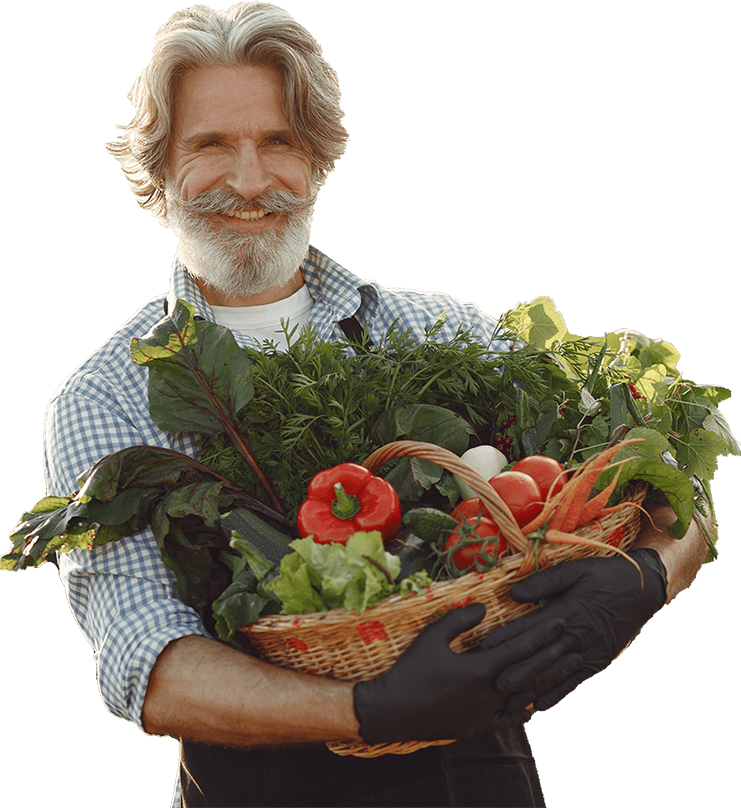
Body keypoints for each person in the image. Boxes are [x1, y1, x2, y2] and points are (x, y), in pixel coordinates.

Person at [43, 3, 710, 806]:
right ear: (157, 171)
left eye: (279, 142)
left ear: (319, 158)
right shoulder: (105, 394)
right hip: (252, 785)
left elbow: (665, 467)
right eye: (210, 145)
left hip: (480, 769)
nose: (249, 181)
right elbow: (144, 664)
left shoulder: (438, 329)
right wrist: (367, 708)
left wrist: (646, 577)